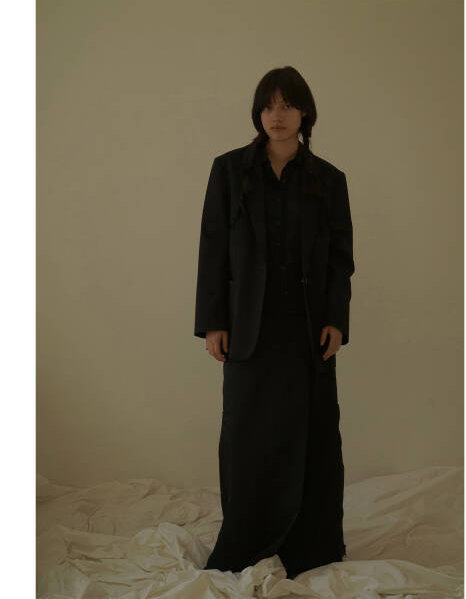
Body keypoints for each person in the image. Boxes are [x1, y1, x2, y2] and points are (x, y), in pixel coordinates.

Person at [194, 65, 355, 579]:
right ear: (257, 113)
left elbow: (340, 260)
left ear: (305, 112)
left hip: (307, 333)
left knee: (312, 438)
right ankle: (245, 540)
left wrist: (336, 320)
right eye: (268, 105)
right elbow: (213, 250)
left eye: (286, 105)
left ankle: (310, 546)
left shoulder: (329, 180)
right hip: (247, 330)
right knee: (246, 437)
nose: (276, 115)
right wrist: (213, 322)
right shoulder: (229, 171)